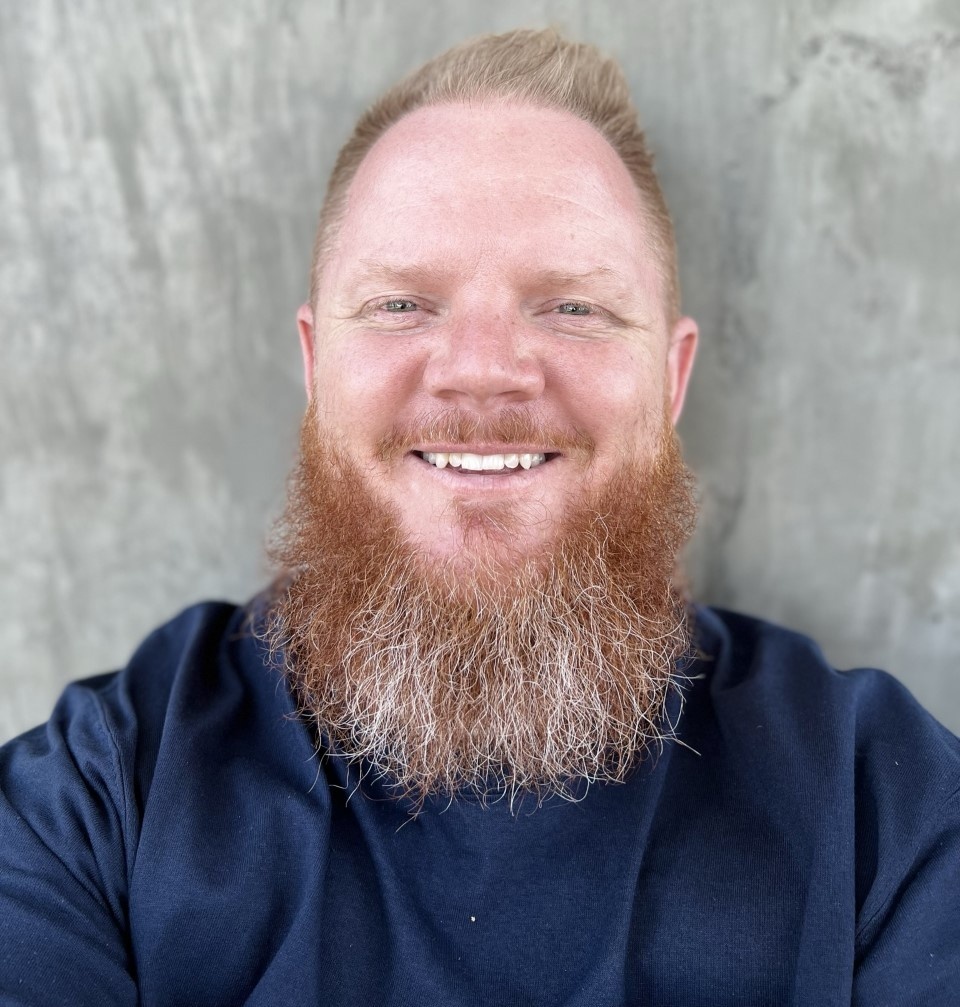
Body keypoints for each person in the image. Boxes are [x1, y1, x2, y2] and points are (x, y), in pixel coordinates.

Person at [1, 28, 957, 1006]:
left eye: (574, 307)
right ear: (315, 364)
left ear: (671, 378)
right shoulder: (100, 797)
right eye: (402, 304)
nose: (483, 369)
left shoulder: (882, 806)